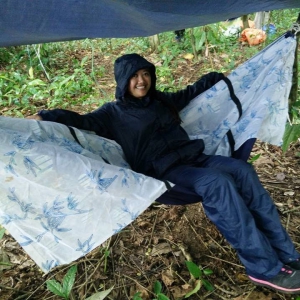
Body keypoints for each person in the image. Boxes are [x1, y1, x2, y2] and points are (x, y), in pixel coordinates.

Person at [28, 53, 300, 294]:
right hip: (166, 174)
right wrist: (45, 116)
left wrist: (226, 76)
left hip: (194, 157)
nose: (141, 80)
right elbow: (80, 121)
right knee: (219, 183)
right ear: (122, 81)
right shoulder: (111, 114)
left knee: (241, 170)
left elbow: (192, 92)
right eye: (134, 76)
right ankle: (263, 267)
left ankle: (286, 255)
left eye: (145, 73)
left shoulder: (161, 101)